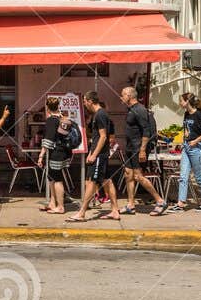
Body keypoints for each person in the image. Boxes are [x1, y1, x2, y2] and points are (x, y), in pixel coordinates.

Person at [68, 92, 124, 221]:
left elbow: (103, 136)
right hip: (98, 154)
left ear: (90, 101)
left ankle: (81, 213)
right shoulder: (98, 115)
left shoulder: (100, 115)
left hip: (99, 155)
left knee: (92, 182)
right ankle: (115, 211)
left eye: (85, 101)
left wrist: (94, 155)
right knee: (106, 181)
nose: (84, 104)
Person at [120, 86, 166, 216]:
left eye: (123, 95)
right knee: (128, 174)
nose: (121, 97)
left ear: (129, 96)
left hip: (137, 147)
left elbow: (146, 131)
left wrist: (142, 150)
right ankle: (130, 205)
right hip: (130, 147)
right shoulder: (131, 109)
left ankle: (160, 201)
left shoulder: (139, 110)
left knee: (138, 176)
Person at [168, 92, 201, 212]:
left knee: (199, 177)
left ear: (187, 101)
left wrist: (196, 140)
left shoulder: (198, 115)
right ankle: (180, 203)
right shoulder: (186, 114)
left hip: (197, 149)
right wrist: (184, 140)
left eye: (181, 100)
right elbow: (187, 130)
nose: (179, 103)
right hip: (186, 148)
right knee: (183, 176)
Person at [37, 96, 74, 213]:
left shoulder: (51, 121)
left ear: (47, 108)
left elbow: (48, 140)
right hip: (64, 152)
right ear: (58, 106)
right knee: (51, 178)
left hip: (55, 153)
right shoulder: (63, 119)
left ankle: (61, 206)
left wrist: (41, 156)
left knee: (57, 179)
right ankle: (52, 203)